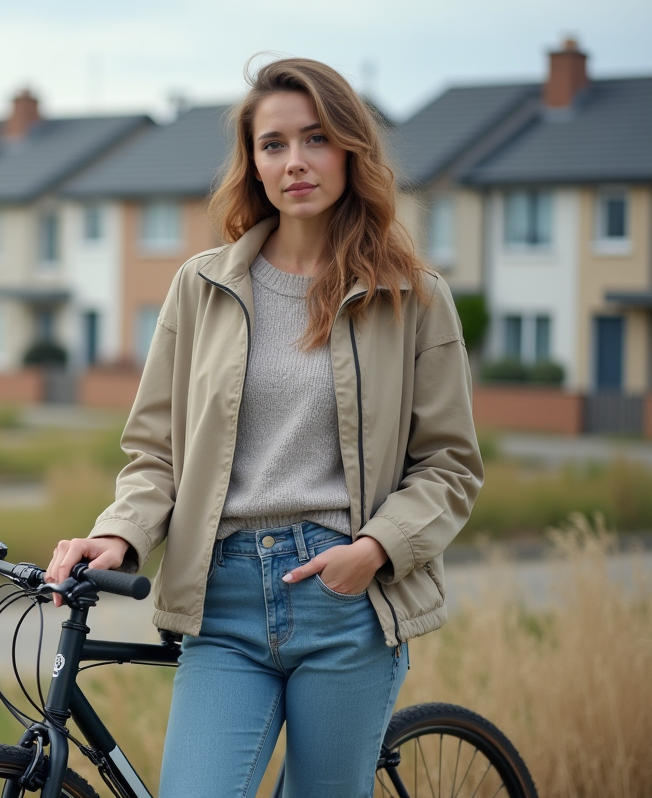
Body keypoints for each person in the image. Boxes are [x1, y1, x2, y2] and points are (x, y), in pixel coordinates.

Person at [46, 56, 483, 798]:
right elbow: (156, 452)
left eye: (315, 138)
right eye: (273, 144)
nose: (295, 162)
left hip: (346, 599)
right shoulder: (202, 286)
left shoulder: (413, 296)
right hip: (224, 600)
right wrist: (119, 533)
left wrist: (375, 549)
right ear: (252, 163)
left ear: (351, 149)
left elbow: (448, 465)